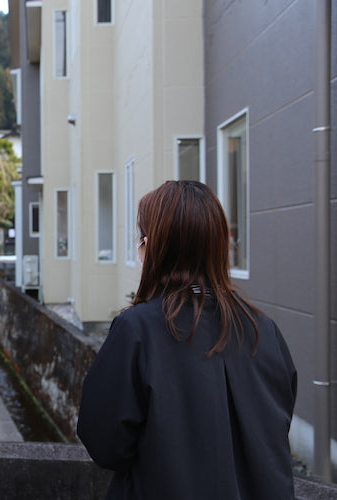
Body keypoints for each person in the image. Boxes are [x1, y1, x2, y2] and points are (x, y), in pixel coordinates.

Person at [77, 180, 297, 499]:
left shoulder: (137, 330)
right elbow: (275, 429)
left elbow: (106, 443)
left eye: (141, 238)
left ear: (152, 245)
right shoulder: (264, 330)